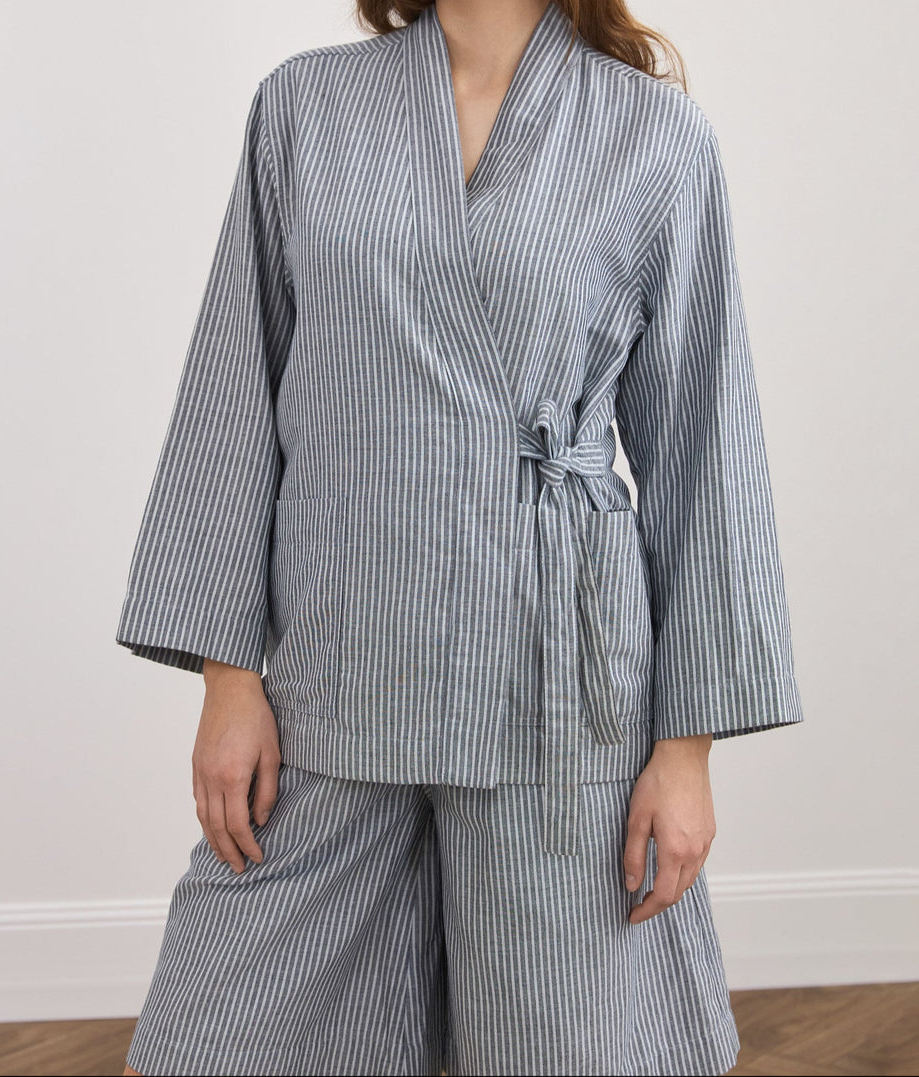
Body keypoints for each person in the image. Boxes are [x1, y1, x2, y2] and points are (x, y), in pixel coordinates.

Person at [116, 1, 804, 1074]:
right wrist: (226, 678)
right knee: (222, 1036)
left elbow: (706, 445)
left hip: (556, 680)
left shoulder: (653, 136)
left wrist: (684, 752)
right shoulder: (306, 107)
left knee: (561, 1048)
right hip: (341, 659)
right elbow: (233, 385)